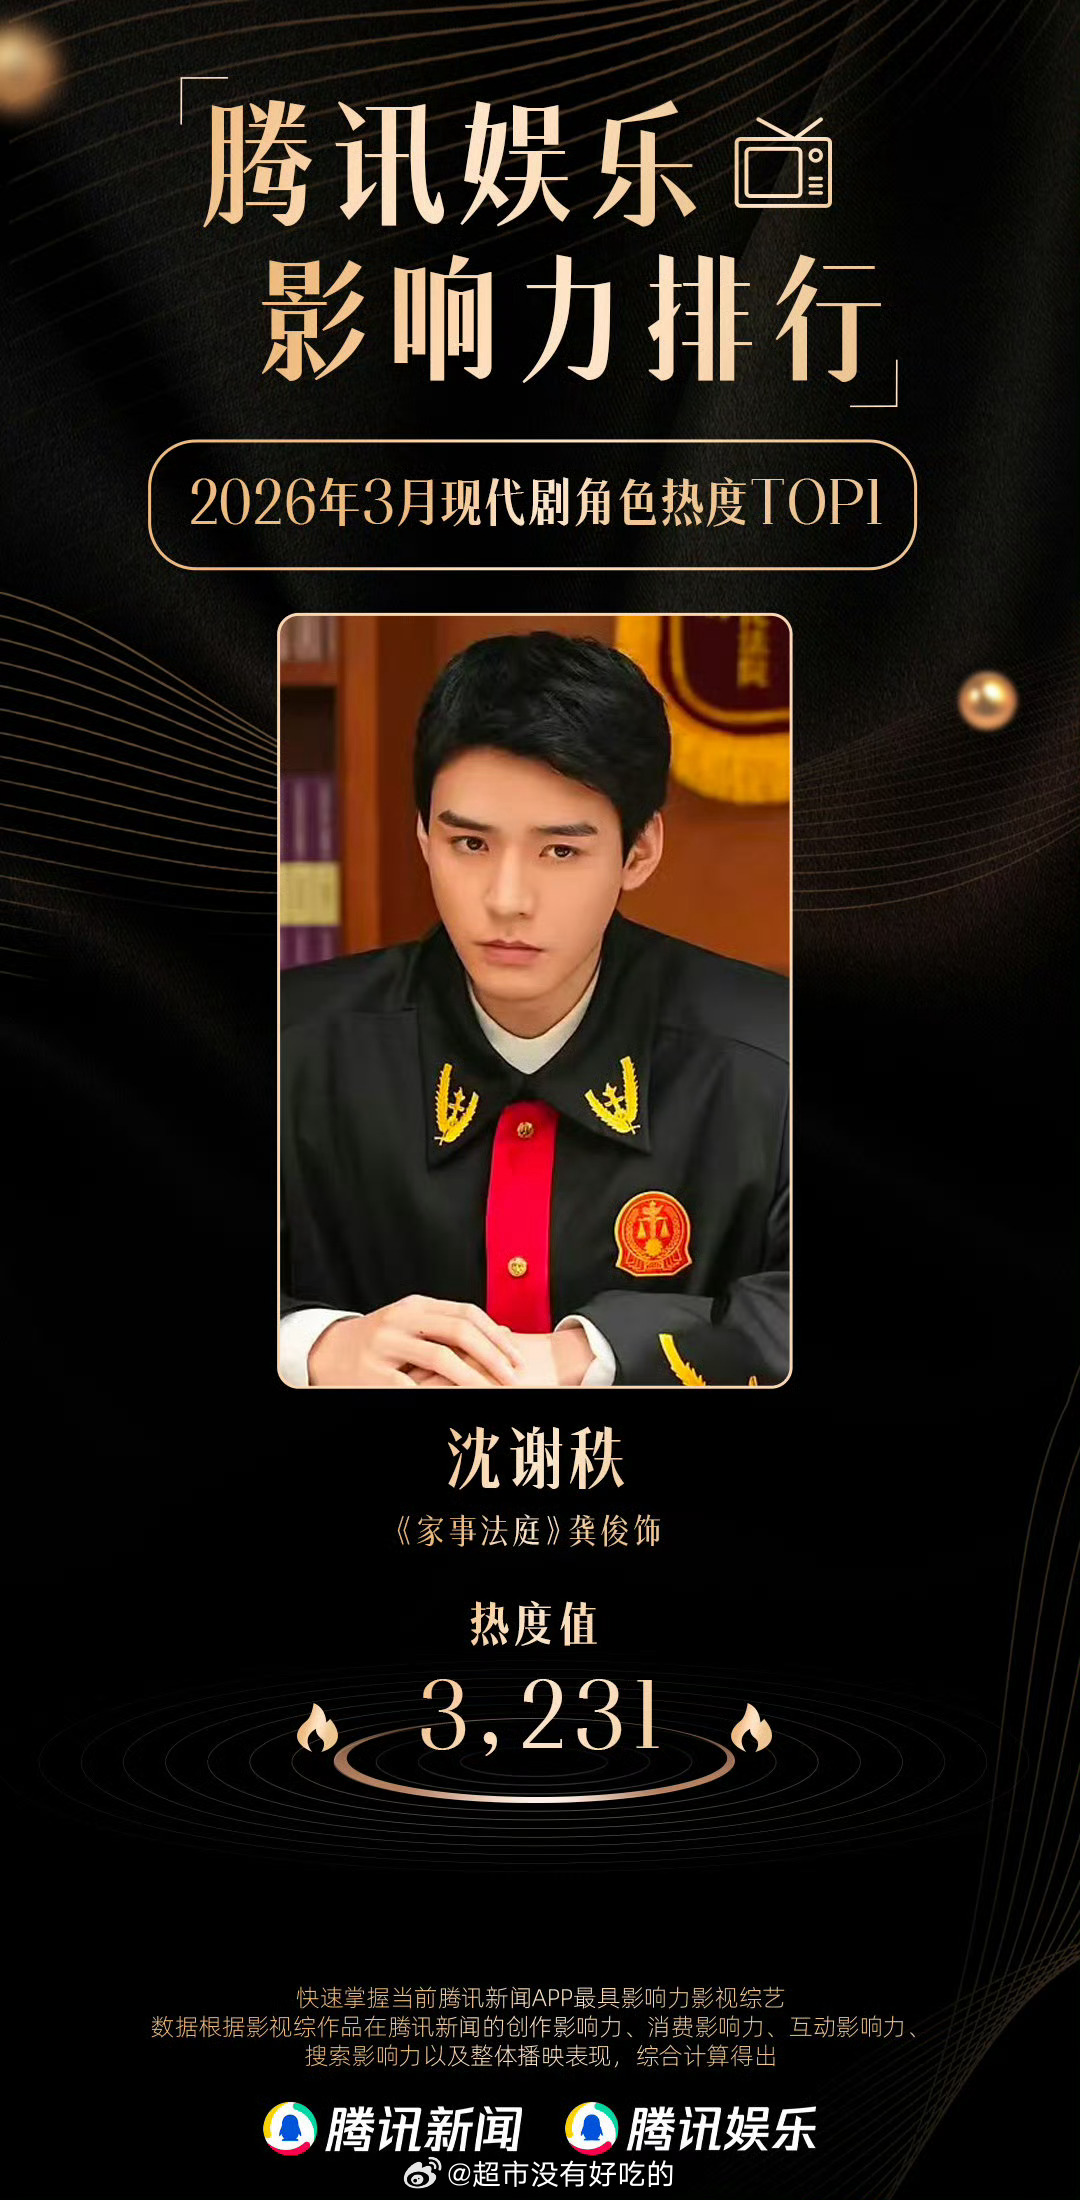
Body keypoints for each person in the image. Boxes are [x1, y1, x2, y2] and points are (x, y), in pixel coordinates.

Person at [280, 631, 788, 1387]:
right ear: (423, 836)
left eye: (560, 851)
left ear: (640, 851)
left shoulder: (775, 1053)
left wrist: (595, 1353)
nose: (507, 900)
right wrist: (317, 1346)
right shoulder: (291, 1043)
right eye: (470, 844)